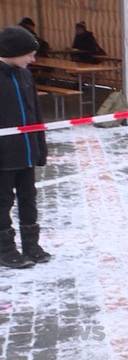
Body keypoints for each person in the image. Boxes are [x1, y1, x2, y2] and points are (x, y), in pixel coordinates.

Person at [0, 26, 50, 269]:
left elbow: (35, 115)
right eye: (29, 54)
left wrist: (40, 148)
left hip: (27, 152)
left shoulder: (25, 75)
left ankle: (32, 245)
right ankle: (6, 250)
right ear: (12, 52)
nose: (33, 59)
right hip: (3, 157)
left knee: (29, 199)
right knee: (2, 202)